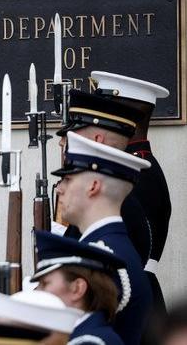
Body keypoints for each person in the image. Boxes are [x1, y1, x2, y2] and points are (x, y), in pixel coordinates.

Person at [53, 131, 153, 345]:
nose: (60, 189)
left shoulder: (101, 259)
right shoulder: (106, 248)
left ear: (93, 186)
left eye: (68, 179)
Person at [92, 70, 171, 315]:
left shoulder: (137, 173)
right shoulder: (133, 168)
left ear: (126, 120)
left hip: (133, 303)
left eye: (106, 113)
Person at [56, 89, 151, 266]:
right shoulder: (117, 196)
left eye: (71, 134)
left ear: (97, 140)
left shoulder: (119, 202)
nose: (62, 142)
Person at [32, 230, 128, 345]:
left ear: (77, 289)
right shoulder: (82, 337)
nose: (37, 291)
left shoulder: (89, 342)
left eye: (45, 284)